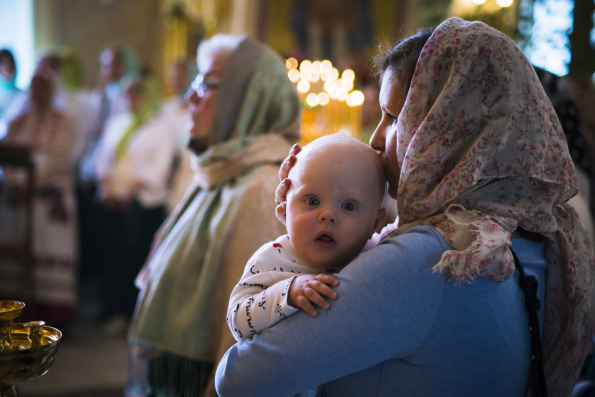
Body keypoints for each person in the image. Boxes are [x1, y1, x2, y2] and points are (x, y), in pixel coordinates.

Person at [215, 17, 595, 396]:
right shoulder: (543, 239)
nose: (377, 138)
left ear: (449, 125)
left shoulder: (430, 257)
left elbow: (238, 379)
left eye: (395, 118)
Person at [126, 33, 301, 397]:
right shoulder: (221, 172)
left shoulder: (261, 187)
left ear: (249, 99)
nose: (190, 96)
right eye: (195, 82)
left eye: (207, 83)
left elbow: (250, 326)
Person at [227, 133, 387, 340]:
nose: (327, 215)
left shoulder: (379, 254)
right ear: (285, 210)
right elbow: (237, 321)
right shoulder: (270, 260)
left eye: (348, 206)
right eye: (312, 201)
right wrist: (288, 293)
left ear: (375, 223)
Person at [94, 70, 173, 334]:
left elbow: (160, 165)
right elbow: (103, 157)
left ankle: (132, 313)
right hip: (113, 201)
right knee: (109, 255)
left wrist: (132, 187)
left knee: (135, 258)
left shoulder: (159, 126)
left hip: (142, 204)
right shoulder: (117, 123)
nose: (131, 100)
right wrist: (106, 184)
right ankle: (112, 308)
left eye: (136, 94)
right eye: (127, 95)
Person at [0, 66, 80, 327]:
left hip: (48, 195)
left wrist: (31, 182)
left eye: (43, 86)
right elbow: (6, 154)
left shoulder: (64, 120)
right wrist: (13, 180)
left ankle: (52, 315)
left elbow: (60, 158)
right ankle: (17, 312)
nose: (37, 92)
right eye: (33, 86)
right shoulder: (17, 119)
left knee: (48, 252)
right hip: (17, 199)